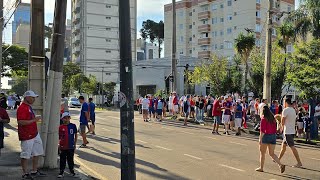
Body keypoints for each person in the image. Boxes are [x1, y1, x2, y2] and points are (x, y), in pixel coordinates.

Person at [17, 90, 46, 179]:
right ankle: (25, 173)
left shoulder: (28, 106)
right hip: (27, 135)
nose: (34, 99)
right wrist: (34, 120)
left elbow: (27, 119)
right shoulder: (22, 108)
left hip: (34, 133)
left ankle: (34, 170)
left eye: (34, 98)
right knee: (25, 155)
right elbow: (20, 122)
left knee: (37, 152)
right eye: (32, 97)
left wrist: (34, 119)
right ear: (27, 97)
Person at [256, 106, 285, 173]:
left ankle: (261, 167)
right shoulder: (272, 118)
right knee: (272, 153)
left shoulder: (263, 119)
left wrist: (260, 139)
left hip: (266, 136)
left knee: (262, 153)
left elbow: (262, 130)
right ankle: (280, 164)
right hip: (273, 136)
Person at [278, 98, 303, 168]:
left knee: (292, 147)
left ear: (286, 102)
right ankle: (278, 159)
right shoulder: (293, 110)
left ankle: (299, 162)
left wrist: (280, 128)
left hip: (287, 131)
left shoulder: (285, 110)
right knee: (283, 146)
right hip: (291, 130)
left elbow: (282, 120)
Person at [58, 112, 78, 178]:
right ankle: (61, 172)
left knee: (70, 159)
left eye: (68, 118)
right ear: (62, 119)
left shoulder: (73, 126)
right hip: (63, 146)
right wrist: (59, 145)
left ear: (69, 118)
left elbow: (76, 135)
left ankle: (72, 171)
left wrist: (75, 144)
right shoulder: (60, 127)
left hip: (70, 146)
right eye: (65, 118)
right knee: (62, 159)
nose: (66, 119)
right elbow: (59, 137)